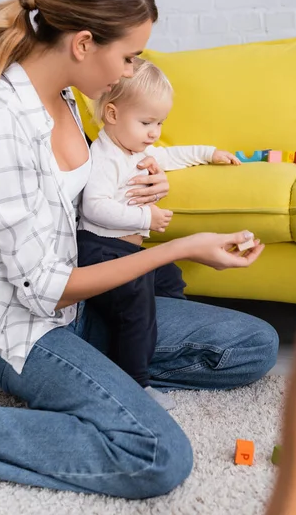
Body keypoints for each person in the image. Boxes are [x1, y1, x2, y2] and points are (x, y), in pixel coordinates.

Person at [0, 0, 278, 498]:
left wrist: (146, 177)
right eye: (130, 56)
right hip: (21, 327)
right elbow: (43, 289)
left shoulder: (64, 96)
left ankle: (96, 383)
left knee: (254, 345)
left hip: (79, 305)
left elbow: (71, 198)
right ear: (84, 43)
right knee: (155, 454)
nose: (131, 72)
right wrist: (179, 246)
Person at [77, 57, 242, 410]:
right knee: (136, 291)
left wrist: (209, 153)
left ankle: (166, 333)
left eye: (160, 122)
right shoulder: (104, 157)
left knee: (169, 277)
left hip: (126, 250)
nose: (154, 132)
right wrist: (144, 218)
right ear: (112, 114)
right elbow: (94, 207)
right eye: (147, 122)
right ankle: (136, 383)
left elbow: (171, 154)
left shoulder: (135, 149)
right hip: (98, 248)